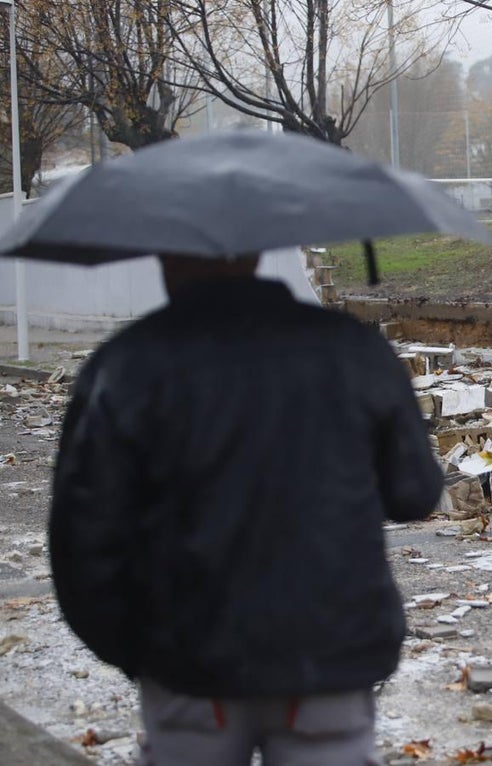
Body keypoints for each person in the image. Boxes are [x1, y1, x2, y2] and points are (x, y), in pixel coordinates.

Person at [49, 253, 444, 766]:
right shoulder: (353, 348)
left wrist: (138, 652)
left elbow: (81, 543)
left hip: (189, 667)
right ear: (256, 253)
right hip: (330, 658)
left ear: (165, 256)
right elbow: (415, 494)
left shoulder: (126, 363)